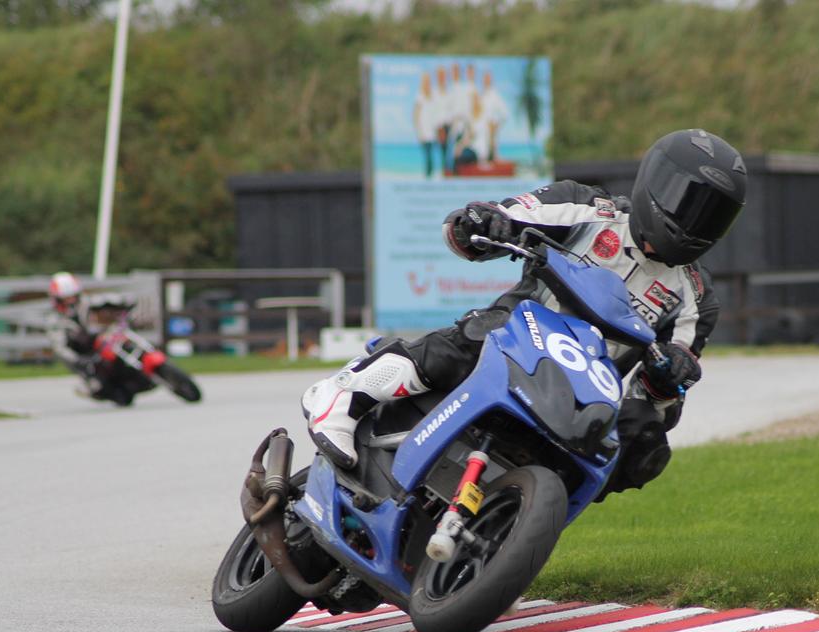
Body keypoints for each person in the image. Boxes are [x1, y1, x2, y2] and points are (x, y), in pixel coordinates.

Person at [303, 129, 745, 496]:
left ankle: (517, 527)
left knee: (645, 445)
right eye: (685, 201)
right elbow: (490, 220)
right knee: (474, 338)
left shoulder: (696, 298)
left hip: (582, 394)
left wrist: (667, 381)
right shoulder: (585, 207)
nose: (692, 220)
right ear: (654, 180)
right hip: (517, 336)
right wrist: (480, 222)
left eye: (710, 214)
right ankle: (346, 394)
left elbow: (661, 404)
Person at [46, 271, 105, 397]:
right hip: (81, 351)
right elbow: (59, 346)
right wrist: (77, 359)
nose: (70, 300)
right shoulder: (55, 319)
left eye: (72, 296)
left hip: (102, 341)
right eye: (66, 298)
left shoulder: (89, 304)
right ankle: (91, 382)